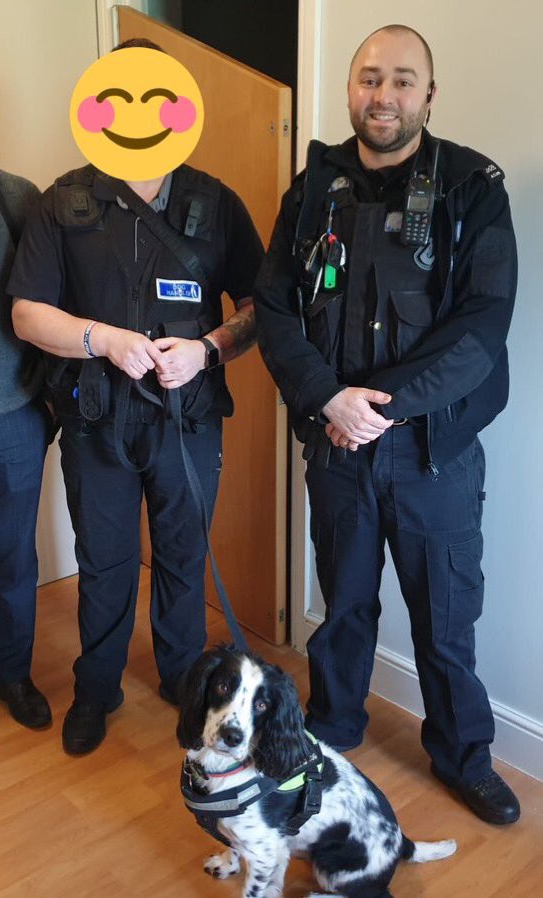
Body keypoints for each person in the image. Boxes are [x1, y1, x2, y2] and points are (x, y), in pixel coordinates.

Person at [254, 25, 520, 825]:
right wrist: (328, 400)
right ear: (349, 89)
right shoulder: (311, 192)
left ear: (428, 96)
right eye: (371, 78)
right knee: (342, 610)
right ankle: (330, 734)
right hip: (336, 448)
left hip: (432, 455)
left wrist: (379, 407)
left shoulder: (473, 187)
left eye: (403, 81)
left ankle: (464, 756)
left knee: (445, 621)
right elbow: (273, 309)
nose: (384, 95)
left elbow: (481, 326)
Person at [8, 39, 263, 756]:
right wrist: (104, 339)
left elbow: (257, 308)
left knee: (183, 557)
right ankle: (97, 688)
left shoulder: (216, 204)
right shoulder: (64, 202)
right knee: (107, 560)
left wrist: (210, 348)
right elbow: (28, 313)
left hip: (188, 423)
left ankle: (184, 681)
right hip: (96, 423)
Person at [0, 155, 52, 729]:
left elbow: (54, 298)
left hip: (10, 418)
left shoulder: (17, 196)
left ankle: (10, 671)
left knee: (11, 558)